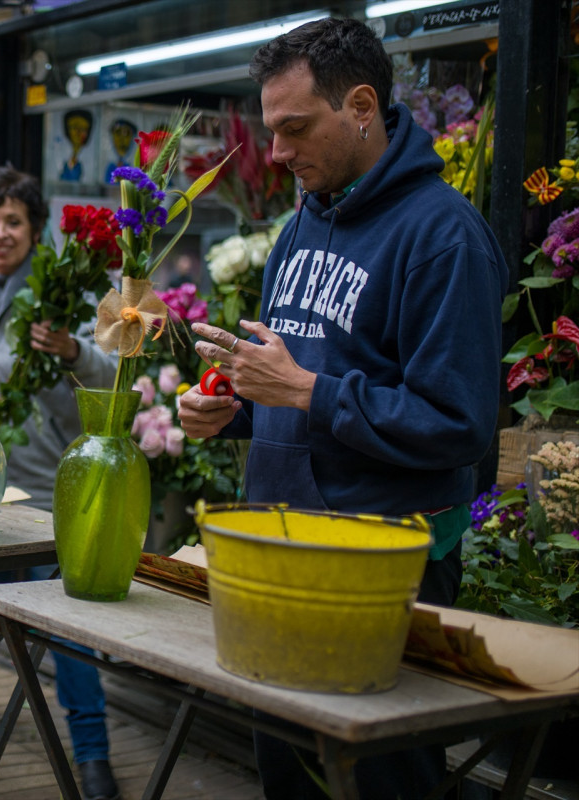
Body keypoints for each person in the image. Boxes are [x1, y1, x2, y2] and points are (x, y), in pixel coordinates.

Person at [175, 18, 508, 799]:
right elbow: (301, 386)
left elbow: (459, 426)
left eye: (296, 128)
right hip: (279, 558)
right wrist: (241, 406)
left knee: (378, 784)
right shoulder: (298, 228)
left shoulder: (443, 238)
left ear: (362, 105)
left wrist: (303, 390)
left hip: (382, 573)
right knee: (286, 778)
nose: (280, 152)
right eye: (273, 131)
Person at [0, 166, 122, 800]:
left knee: (64, 625)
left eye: (12, 222)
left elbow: (107, 374)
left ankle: (95, 757)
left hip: (51, 480)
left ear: (34, 227)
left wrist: (73, 353)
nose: (0, 234)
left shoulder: (67, 289)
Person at [60, 109, 93, 182]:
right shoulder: (61, 156)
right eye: (74, 127)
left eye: (82, 128)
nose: (78, 132)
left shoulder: (91, 160)